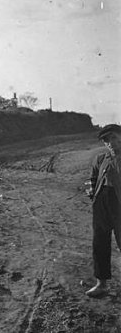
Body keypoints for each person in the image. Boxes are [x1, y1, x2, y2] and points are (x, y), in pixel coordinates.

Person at [85, 123, 121, 298]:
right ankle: (102, 284)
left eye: (114, 137)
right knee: (100, 243)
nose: (110, 142)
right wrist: (92, 192)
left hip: (119, 205)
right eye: (106, 140)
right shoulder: (100, 159)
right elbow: (92, 179)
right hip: (101, 203)